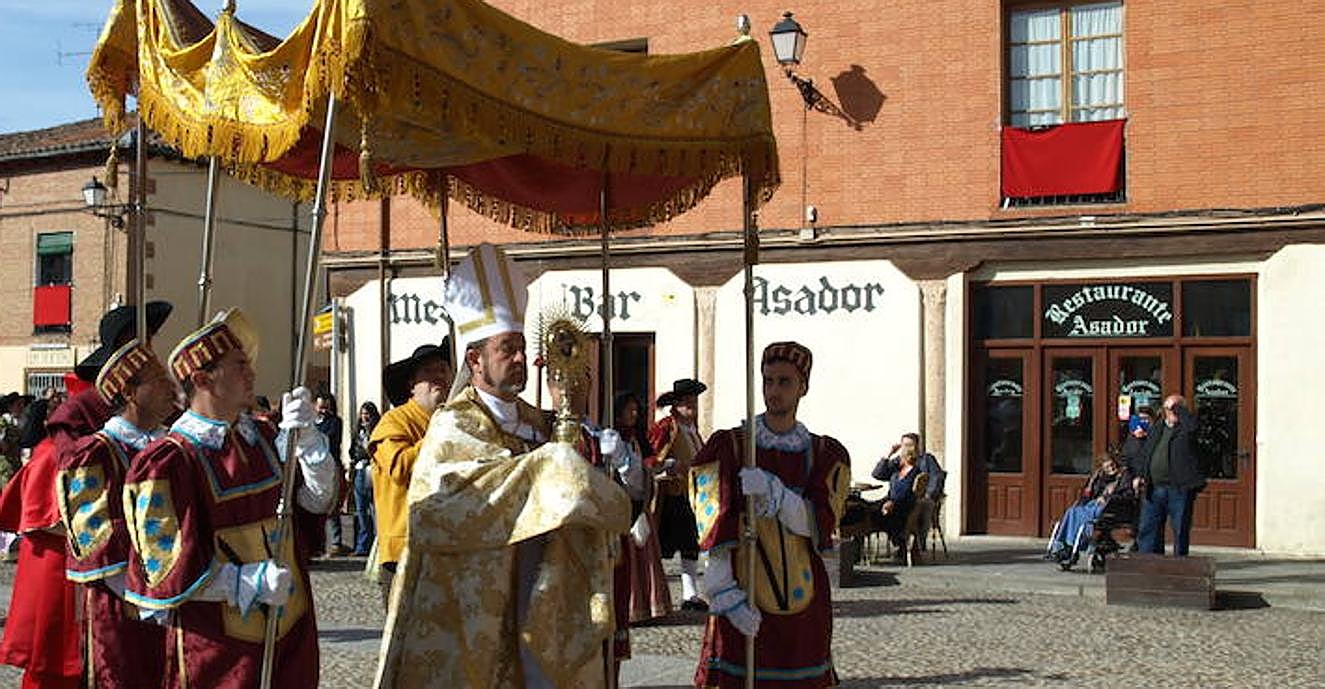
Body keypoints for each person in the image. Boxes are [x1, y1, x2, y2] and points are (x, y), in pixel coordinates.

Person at [375, 243, 630, 689]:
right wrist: (547, 467)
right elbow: (439, 508)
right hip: (472, 606)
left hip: (539, 594)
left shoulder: (540, 422)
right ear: (475, 360)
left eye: (521, 348)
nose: (519, 360)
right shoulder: (455, 423)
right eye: (506, 349)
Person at [121, 308, 339, 688]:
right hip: (220, 652)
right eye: (239, 365)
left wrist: (308, 443)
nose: (251, 373)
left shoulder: (265, 437)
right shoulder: (168, 462)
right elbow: (163, 570)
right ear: (202, 378)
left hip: (291, 634)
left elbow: (319, 501)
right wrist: (244, 581)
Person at [0, 301, 174, 689]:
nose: (153, 350)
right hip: (86, 564)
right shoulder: (77, 418)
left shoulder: (157, 412)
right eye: (146, 340)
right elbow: (75, 492)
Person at [690, 341, 851, 689]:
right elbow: (713, 520)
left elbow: (821, 525)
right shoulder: (731, 446)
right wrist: (724, 592)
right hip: (742, 590)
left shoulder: (823, 453)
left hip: (801, 595)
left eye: (784, 382)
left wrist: (777, 495)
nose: (773, 391)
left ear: (803, 387)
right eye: (768, 381)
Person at [55, 340, 176, 688]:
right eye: (158, 379)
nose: (171, 387)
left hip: (172, 606)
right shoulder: (92, 455)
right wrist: (151, 598)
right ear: (130, 392)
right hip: (122, 610)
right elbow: (95, 541)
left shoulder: (169, 447)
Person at [546, 354, 647, 685]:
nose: (569, 390)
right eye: (560, 381)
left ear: (589, 386)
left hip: (603, 551)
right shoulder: (539, 434)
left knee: (605, 639)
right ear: (549, 386)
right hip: (555, 554)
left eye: (578, 381)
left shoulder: (603, 435)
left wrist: (622, 462)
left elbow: (636, 492)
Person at [370, 341, 453, 601]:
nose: (438, 377)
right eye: (429, 372)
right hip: (405, 549)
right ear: (412, 384)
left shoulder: (453, 420)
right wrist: (437, 434)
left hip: (446, 545)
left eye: (443, 370)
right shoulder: (394, 421)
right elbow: (399, 467)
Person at [647, 378, 709, 611]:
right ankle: (654, 594)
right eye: (686, 402)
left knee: (690, 543)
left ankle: (690, 594)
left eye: (693, 401)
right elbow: (651, 456)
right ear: (676, 404)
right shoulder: (666, 426)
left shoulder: (692, 429)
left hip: (691, 494)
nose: (691, 406)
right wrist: (669, 464)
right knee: (661, 545)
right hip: (669, 494)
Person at [619, 391, 671, 622]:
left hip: (640, 503)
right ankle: (630, 607)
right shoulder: (614, 439)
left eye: (635, 410)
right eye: (629, 410)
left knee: (646, 555)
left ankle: (648, 606)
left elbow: (649, 460)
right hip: (622, 505)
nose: (633, 414)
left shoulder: (638, 438)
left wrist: (656, 467)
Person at [1133, 394, 1204, 556]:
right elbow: (1146, 454)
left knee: (1180, 529)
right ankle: (1149, 563)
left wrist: (1179, 409)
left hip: (1179, 489)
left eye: (1176, 409)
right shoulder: (1158, 428)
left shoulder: (1186, 430)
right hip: (1155, 487)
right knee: (1149, 528)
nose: (1172, 412)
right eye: (1169, 409)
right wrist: (1140, 475)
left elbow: (1193, 427)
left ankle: (1179, 566)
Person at [1045, 455, 1130, 563]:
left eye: (1112, 465)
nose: (1111, 469)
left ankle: (1070, 546)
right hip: (1094, 503)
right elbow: (1090, 493)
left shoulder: (1123, 477)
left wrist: (1108, 497)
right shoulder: (1099, 477)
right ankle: (1062, 544)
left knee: (1080, 514)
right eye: (1107, 467)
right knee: (1071, 511)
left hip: (1110, 506)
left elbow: (1127, 495)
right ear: (1103, 468)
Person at [316, 392, 349, 556]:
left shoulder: (335, 422)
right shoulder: (312, 424)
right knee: (315, 503)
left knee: (332, 503)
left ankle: (336, 542)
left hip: (331, 465)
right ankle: (318, 543)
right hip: (315, 468)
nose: (322, 410)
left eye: (326, 407)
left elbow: (330, 440)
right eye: (320, 407)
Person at [873, 449, 922, 555]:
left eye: (899, 458)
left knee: (880, 517)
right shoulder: (896, 470)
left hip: (902, 505)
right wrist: (888, 454)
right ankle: (857, 546)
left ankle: (900, 541)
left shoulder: (915, 473)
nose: (897, 460)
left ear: (905, 459)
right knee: (867, 509)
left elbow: (907, 493)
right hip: (889, 502)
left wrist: (893, 503)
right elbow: (876, 474)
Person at [871, 432, 946, 501]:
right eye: (904, 445)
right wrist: (888, 455)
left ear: (917, 447)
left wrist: (928, 497)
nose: (907, 449)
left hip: (912, 503)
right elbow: (877, 475)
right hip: (892, 502)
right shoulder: (897, 462)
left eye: (910, 445)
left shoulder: (925, 460)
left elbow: (936, 477)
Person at [349, 401, 381, 556]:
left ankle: (377, 544)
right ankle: (362, 546)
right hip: (359, 471)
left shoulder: (378, 431)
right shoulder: (357, 431)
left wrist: (364, 452)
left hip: (373, 471)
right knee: (361, 511)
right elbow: (353, 451)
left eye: (367, 414)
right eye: (363, 414)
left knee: (375, 510)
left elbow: (373, 452)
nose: (365, 417)